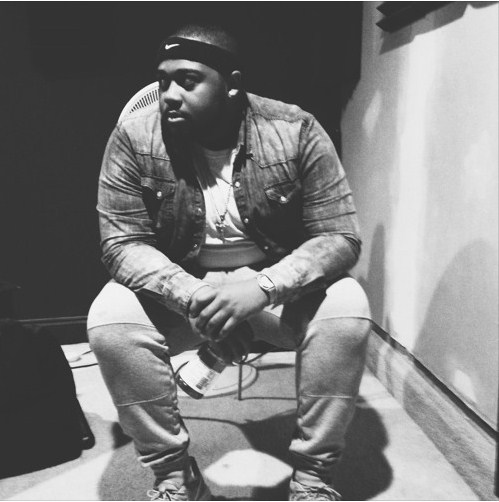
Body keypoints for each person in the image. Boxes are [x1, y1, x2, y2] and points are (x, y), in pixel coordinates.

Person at [87, 22, 371, 501]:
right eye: (163, 80)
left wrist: (262, 288)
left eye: (187, 80)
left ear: (232, 84)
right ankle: (175, 477)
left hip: (275, 287)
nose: (169, 95)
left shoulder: (295, 129)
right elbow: (121, 244)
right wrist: (196, 296)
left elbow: (339, 236)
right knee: (109, 318)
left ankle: (312, 480)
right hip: (183, 288)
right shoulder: (134, 137)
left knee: (348, 305)